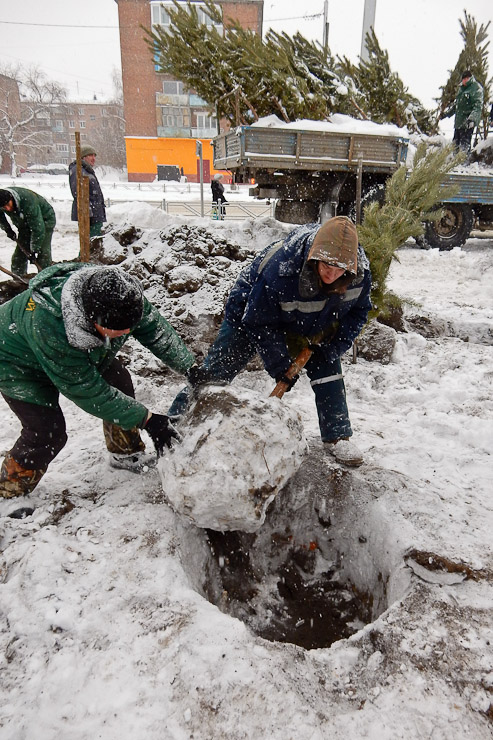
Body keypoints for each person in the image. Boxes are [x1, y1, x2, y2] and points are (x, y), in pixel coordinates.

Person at [169, 216, 372, 467]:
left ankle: (337, 435)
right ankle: (174, 424)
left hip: (314, 319)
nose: (332, 274)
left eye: (339, 269)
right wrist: (280, 367)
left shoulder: (360, 274)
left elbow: (359, 312)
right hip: (251, 313)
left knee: (328, 366)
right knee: (215, 372)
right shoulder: (282, 268)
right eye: (326, 266)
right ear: (314, 258)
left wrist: (333, 347)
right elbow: (259, 321)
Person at [0, 263, 195, 498]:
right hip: (16, 363)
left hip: (71, 350)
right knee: (46, 432)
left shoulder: (121, 297)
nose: (126, 333)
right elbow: (88, 391)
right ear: (92, 320)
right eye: (118, 330)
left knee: (119, 382)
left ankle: (125, 453)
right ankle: (10, 489)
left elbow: (154, 329)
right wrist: (147, 420)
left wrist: (190, 367)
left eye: (129, 328)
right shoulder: (49, 323)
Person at [0, 187, 56, 277]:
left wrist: (34, 250)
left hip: (45, 220)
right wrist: (8, 230)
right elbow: (0, 218)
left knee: (42, 253)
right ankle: (18, 279)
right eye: (4, 207)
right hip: (24, 224)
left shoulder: (28, 202)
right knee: (19, 256)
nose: (7, 208)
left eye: (8, 204)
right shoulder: (2, 202)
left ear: (11, 198)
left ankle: (46, 278)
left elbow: (38, 229)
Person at [69, 145, 106, 238]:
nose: (93, 158)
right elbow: (78, 193)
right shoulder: (78, 170)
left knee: (94, 242)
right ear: (83, 157)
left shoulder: (87, 171)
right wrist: (87, 211)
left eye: (94, 155)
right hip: (89, 216)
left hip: (95, 214)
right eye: (90, 155)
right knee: (90, 243)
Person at [451, 70, 484, 152]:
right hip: (458, 123)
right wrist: (446, 114)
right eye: (463, 79)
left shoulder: (476, 88)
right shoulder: (461, 89)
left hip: (467, 123)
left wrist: (472, 119)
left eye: (466, 78)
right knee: (454, 147)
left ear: (469, 78)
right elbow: (457, 105)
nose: (464, 80)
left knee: (464, 148)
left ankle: (464, 160)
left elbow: (478, 106)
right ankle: (454, 159)